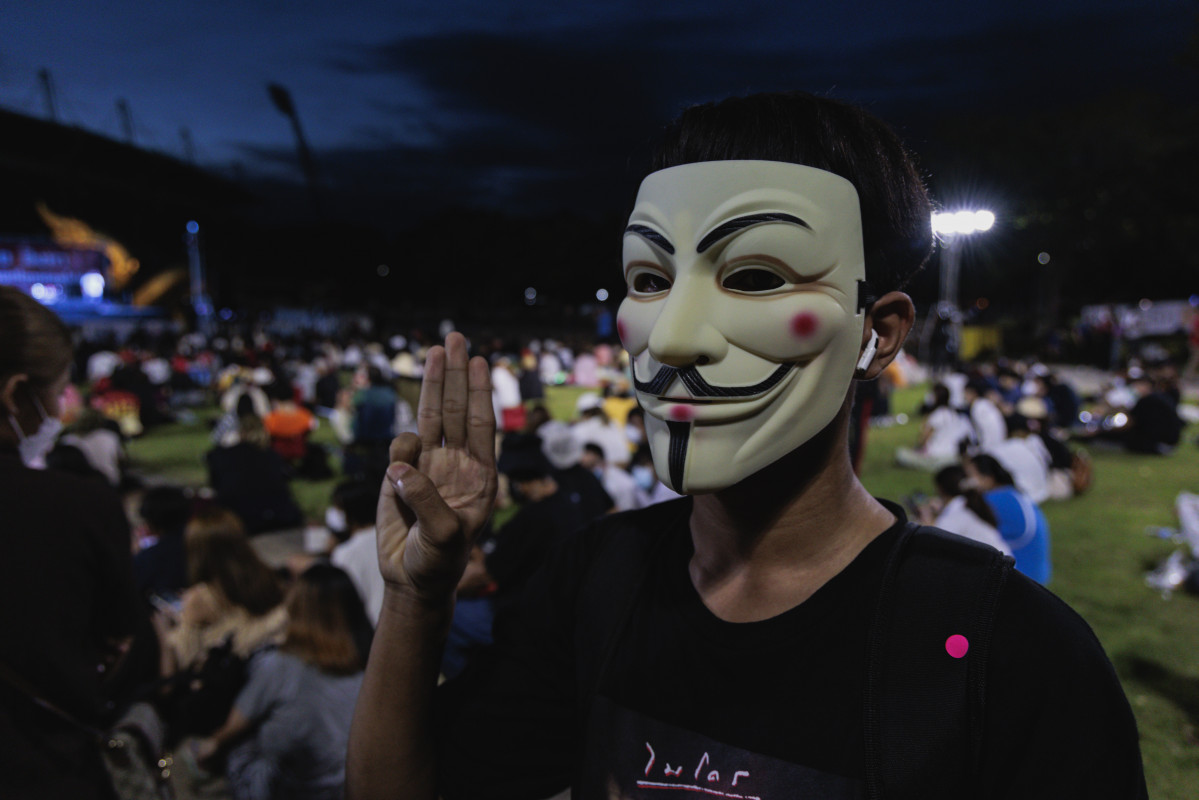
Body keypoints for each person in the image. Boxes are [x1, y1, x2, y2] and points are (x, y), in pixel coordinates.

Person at [346, 92, 1145, 799]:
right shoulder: (598, 581)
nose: (675, 337)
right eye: (650, 280)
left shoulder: (1012, 656)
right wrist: (417, 599)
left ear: (881, 331)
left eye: (756, 278)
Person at [0, 286, 145, 800]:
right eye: (58, 392)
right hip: (42, 764)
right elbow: (127, 640)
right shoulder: (72, 506)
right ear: (15, 394)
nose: (60, 410)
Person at [193, 563, 372, 800]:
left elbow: (230, 729)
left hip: (296, 788)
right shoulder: (372, 664)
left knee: (236, 746)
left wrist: (207, 749)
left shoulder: (280, 665)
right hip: (356, 786)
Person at [965, 454, 1052, 585]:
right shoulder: (1012, 494)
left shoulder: (992, 501)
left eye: (969, 477)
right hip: (1038, 575)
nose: (965, 482)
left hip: (1023, 578)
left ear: (987, 478)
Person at [919, 465, 1012, 556]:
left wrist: (927, 521)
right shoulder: (968, 506)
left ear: (940, 489)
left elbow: (933, 546)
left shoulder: (955, 515)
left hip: (996, 567)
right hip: (1003, 563)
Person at [894, 383, 973, 471]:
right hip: (953, 455)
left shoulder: (936, 415)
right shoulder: (953, 414)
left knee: (901, 453)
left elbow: (923, 439)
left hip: (937, 457)